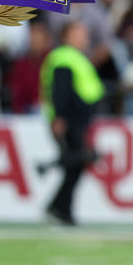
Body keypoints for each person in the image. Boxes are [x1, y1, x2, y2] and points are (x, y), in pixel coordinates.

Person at [39, 21, 104, 226]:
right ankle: (60, 208)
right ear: (66, 36)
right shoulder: (64, 58)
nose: (84, 38)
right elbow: (61, 91)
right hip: (70, 120)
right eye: (79, 33)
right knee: (77, 161)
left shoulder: (73, 57)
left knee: (74, 165)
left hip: (76, 119)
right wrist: (60, 117)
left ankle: (60, 208)